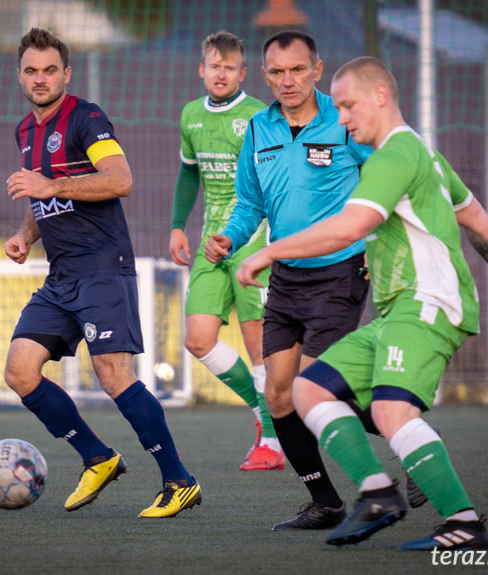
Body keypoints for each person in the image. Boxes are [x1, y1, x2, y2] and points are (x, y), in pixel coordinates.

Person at [236, 56, 488, 550]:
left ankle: (463, 523)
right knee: (308, 391)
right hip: (396, 311)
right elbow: (474, 214)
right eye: (337, 108)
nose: (340, 118)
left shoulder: (394, 156)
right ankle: (379, 493)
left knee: (390, 412)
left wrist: (269, 252)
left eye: (347, 105)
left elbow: (349, 227)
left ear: (381, 96)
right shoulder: (419, 152)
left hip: (426, 305)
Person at [3, 28, 201, 519]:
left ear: (66, 74)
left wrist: (49, 184)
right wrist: (27, 236)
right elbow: (43, 195)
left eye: (50, 70)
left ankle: (179, 481)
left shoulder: (85, 118)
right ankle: (98, 457)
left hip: (102, 269)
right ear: (20, 77)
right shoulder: (25, 131)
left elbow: (121, 179)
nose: (41, 79)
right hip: (61, 274)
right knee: (20, 371)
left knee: (114, 376)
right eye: (32, 71)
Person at [204, 30, 374, 530]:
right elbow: (250, 203)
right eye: (277, 72)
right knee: (278, 394)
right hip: (285, 278)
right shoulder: (258, 129)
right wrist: (230, 239)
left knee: (315, 389)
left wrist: (380, 249)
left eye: (298, 69)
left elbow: (385, 191)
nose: (288, 80)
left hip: (341, 271)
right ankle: (325, 502)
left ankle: (412, 447)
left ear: (317, 70)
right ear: (264, 76)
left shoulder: (345, 122)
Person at [169, 31, 283, 471]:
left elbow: (270, 184)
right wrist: (178, 227)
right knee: (198, 339)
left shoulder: (258, 116)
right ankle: (264, 414)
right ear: (202, 70)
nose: (221, 73)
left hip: (253, 240)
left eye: (230, 67)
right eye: (214, 66)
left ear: (242, 74)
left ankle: (272, 444)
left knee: (259, 347)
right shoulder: (191, 115)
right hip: (209, 242)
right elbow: (187, 174)